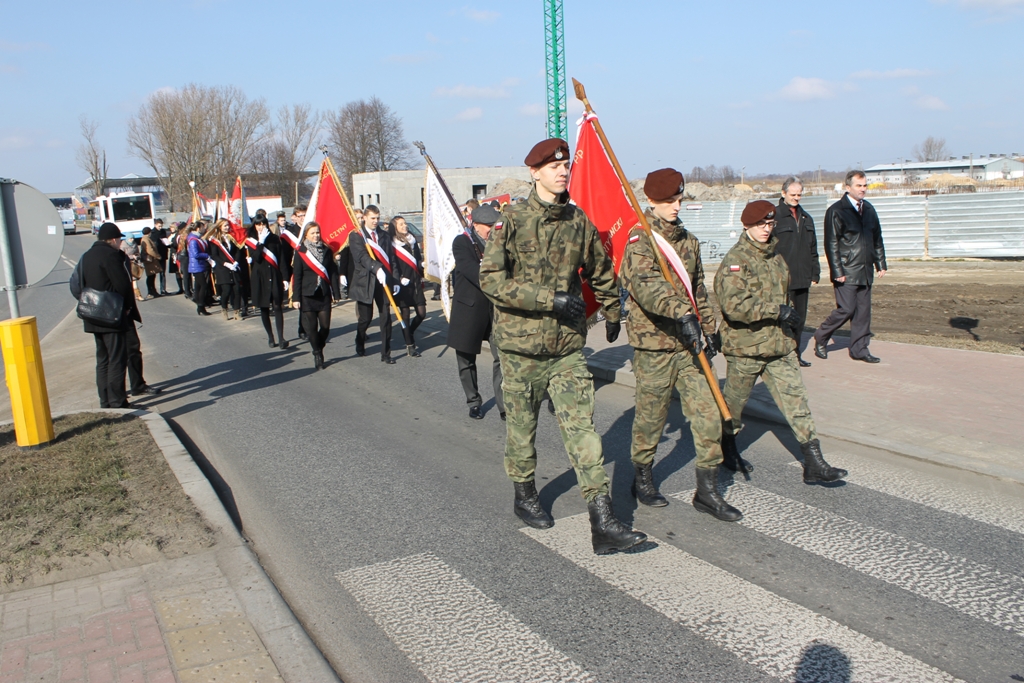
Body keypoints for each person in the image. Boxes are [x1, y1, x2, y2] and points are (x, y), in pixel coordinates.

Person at [480, 138, 646, 556]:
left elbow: (601, 267)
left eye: (565, 165)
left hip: (567, 348)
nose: (561, 171)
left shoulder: (578, 220)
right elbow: (492, 281)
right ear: (534, 172)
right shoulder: (511, 221)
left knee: (583, 432)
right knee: (522, 432)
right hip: (520, 351)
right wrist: (547, 298)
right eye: (552, 167)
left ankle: (602, 520)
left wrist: (612, 310)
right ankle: (524, 494)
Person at [619, 168, 739, 521]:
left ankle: (707, 491)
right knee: (651, 419)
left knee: (707, 415)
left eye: (679, 199)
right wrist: (681, 314)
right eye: (669, 200)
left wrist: (710, 326)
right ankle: (642, 475)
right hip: (655, 346)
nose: (676, 205)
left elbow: (697, 288)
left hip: (690, 346)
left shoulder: (688, 242)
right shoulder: (640, 241)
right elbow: (645, 286)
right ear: (652, 202)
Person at [714, 200, 847, 485]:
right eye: (761, 224)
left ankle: (814, 462)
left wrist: (788, 317)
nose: (766, 229)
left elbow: (785, 295)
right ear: (747, 226)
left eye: (770, 224)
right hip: (746, 348)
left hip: (780, 347)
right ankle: (725, 451)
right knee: (733, 408)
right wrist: (777, 311)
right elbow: (734, 305)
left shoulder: (776, 257)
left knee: (797, 402)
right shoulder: (736, 261)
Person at [812, 170, 887, 363]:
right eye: (859, 186)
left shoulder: (869, 209)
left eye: (865, 185)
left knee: (863, 313)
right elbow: (832, 244)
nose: (863, 189)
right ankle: (821, 335)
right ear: (848, 188)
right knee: (846, 309)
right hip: (846, 270)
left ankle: (859, 349)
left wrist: (880, 263)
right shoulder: (837, 211)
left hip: (865, 270)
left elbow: (876, 238)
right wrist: (837, 271)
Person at [75, 223, 141, 409]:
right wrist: (127, 307)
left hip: (92, 314)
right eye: (119, 240)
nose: (120, 243)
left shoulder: (86, 256)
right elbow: (122, 285)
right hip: (111, 315)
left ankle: (105, 400)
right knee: (116, 359)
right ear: (112, 239)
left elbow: (78, 284)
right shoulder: (111, 256)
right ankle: (118, 402)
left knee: (102, 359)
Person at [448, 204, 504, 420]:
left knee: (502, 357)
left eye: (494, 225)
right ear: (476, 225)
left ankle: (503, 405)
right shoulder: (462, 242)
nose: (493, 229)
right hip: (469, 309)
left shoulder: (498, 243)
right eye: (488, 226)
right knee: (466, 360)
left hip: (494, 310)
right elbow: (471, 271)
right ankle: (473, 401)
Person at [773, 177, 820, 367]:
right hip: (783, 279)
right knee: (783, 319)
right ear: (783, 193)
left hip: (803, 278)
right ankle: (781, 356)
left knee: (799, 320)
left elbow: (813, 249)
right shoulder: (774, 217)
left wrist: (815, 273)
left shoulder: (806, 218)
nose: (796, 198)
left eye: (799, 194)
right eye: (793, 194)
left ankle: (795, 354)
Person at [349, 205, 397, 363]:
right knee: (365, 318)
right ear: (364, 218)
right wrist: (376, 268)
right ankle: (360, 339)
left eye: (378, 218)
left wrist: (395, 279)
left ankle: (386, 353)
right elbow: (361, 256)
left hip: (383, 282)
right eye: (372, 218)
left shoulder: (384, 235)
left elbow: (391, 258)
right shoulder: (356, 235)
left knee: (385, 317)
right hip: (366, 281)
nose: (376, 221)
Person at [291, 222, 337, 370]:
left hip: (323, 294)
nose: (316, 235)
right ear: (306, 235)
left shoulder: (326, 250)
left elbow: (332, 272)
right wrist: (296, 298)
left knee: (325, 327)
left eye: (317, 232)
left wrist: (336, 292)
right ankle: (317, 353)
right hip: (307, 294)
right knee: (311, 328)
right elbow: (297, 276)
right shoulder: (301, 252)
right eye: (313, 233)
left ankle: (318, 345)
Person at [247, 215, 289, 348]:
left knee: (277, 306)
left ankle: (281, 338)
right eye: (258, 224)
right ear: (254, 226)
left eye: (263, 224)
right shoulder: (251, 241)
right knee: (264, 307)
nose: (261, 227)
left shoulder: (275, 239)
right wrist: (260, 242)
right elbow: (257, 258)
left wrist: (285, 278)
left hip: (274, 275)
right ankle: (271, 337)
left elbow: (281, 259)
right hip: (260, 277)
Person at [388, 215, 426, 357]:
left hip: (415, 282)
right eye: (401, 224)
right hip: (403, 284)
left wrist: (421, 266)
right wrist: (398, 279)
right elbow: (392, 265)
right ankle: (410, 345)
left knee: (422, 313)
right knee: (405, 315)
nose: (405, 226)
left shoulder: (412, 240)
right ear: (395, 227)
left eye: (405, 223)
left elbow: (417, 259)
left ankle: (409, 331)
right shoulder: (392, 244)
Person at [208, 219, 244, 320]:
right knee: (226, 291)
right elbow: (214, 255)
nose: (227, 228)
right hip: (222, 269)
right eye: (224, 226)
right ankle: (224, 309)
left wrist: (236, 261)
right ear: (219, 227)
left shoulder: (232, 237)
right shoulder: (215, 240)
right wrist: (225, 264)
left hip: (234, 267)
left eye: (228, 225)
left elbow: (237, 251)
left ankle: (237, 312)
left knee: (237, 290)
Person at [186, 221, 212, 316]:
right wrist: (207, 255)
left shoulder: (197, 238)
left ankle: (199, 306)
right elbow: (196, 254)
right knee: (203, 286)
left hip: (199, 265)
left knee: (198, 286)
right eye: (202, 227)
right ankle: (201, 305)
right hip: (196, 266)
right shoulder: (193, 240)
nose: (203, 228)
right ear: (198, 228)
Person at [140, 227, 162, 299]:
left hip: (150, 260)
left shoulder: (145, 239)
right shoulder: (146, 239)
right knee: (150, 276)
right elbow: (150, 250)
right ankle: (151, 291)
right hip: (150, 260)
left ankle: (153, 291)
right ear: (149, 232)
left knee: (152, 276)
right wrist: (157, 256)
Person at [173, 223, 190, 298]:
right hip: (183, 256)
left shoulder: (179, 235)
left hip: (181, 255)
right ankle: (187, 291)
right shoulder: (181, 236)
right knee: (186, 275)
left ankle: (188, 290)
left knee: (187, 274)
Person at [153, 218, 170, 295]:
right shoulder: (152, 233)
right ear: (155, 225)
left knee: (163, 273)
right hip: (156, 255)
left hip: (163, 254)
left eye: (161, 226)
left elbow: (165, 239)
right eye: (159, 226)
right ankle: (153, 290)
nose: (160, 227)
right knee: (154, 273)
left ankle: (163, 289)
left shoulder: (163, 231)